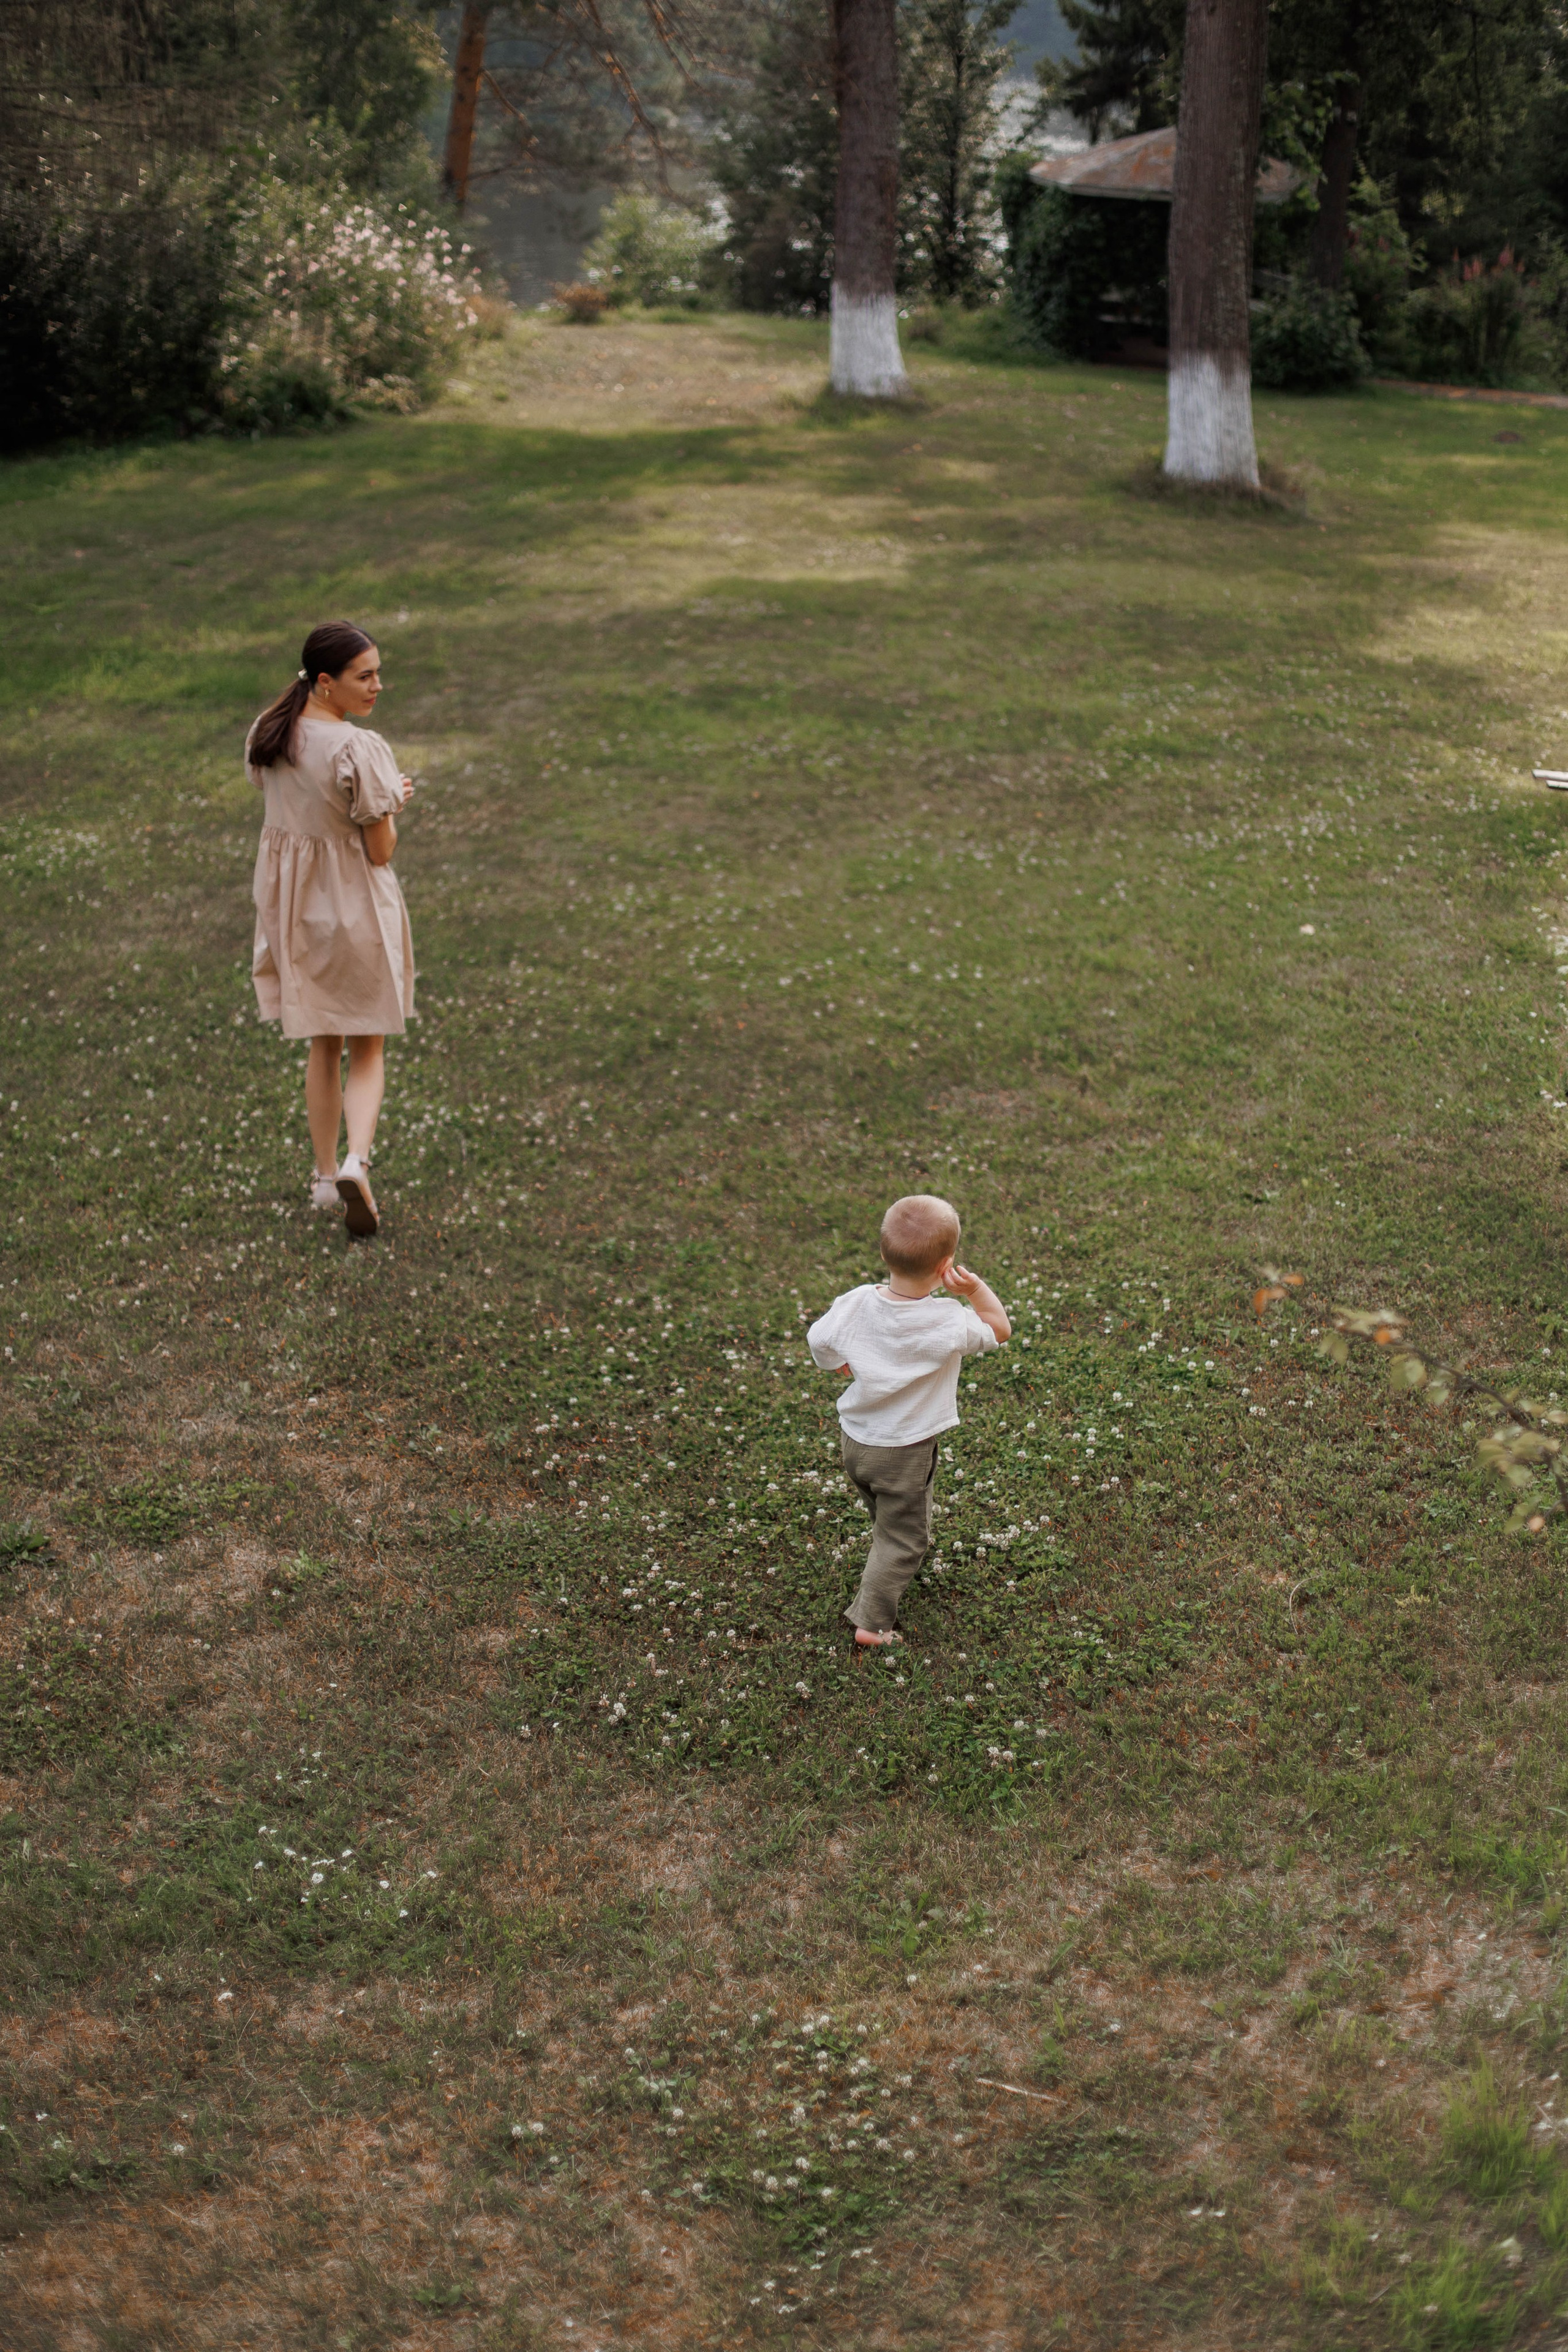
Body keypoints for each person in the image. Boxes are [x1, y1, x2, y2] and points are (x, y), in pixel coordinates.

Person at [246, 621, 415, 1238]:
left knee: (324, 1042)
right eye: (364, 676)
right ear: (325, 681)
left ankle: (323, 1179)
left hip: (295, 909)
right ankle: (355, 1162)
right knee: (367, 1044)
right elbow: (379, 851)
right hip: (355, 907)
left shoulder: (269, 731)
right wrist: (391, 804)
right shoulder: (359, 748)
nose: (377, 686)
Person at [807, 1195, 1010, 1649]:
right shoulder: (947, 1320)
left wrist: (837, 1362)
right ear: (946, 1265)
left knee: (885, 1509)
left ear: (884, 1253)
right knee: (906, 1539)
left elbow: (819, 1339)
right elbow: (999, 1328)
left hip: (857, 1441)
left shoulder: (856, 1302)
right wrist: (975, 1290)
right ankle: (871, 1623)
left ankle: (887, 1542)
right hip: (905, 1450)